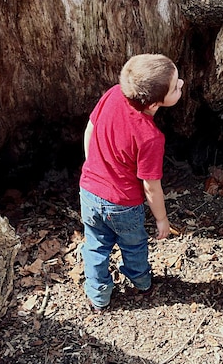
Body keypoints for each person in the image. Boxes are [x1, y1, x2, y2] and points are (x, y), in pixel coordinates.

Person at [79, 53, 184, 313]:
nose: (181, 84)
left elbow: (90, 129)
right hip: (123, 204)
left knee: (95, 245)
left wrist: (92, 163)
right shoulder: (150, 137)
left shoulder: (113, 94)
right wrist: (161, 219)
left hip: (89, 191)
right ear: (156, 103)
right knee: (134, 244)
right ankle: (141, 281)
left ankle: (98, 296)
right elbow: (151, 185)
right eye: (175, 86)